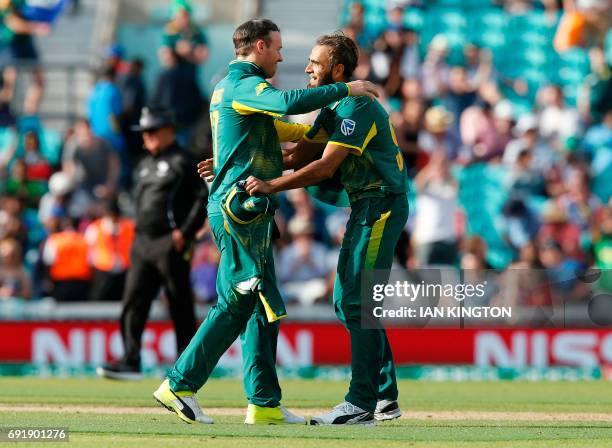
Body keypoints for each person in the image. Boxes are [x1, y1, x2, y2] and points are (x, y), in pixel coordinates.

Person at [153, 19, 379, 426]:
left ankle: (263, 403)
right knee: (240, 298)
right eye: (277, 48)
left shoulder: (240, 91)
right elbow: (289, 104)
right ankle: (179, 384)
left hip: (249, 208)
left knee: (263, 307)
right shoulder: (243, 84)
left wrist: (334, 135)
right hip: (240, 210)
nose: (281, 55)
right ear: (258, 46)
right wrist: (348, 89)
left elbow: (290, 131)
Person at [245, 32, 408, 425]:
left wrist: (269, 186)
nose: (306, 68)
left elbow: (324, 167)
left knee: (356, 302)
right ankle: (384, 397)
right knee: (347, 302)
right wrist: (237, 163)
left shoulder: (358, 105)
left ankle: (361, 403)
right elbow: (298, 156)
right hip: (365, 207)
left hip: (382, 207)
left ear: (338, 69)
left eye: (315, 63)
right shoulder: (334, 107)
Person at [97, 106, 208, 380]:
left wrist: (185, 232)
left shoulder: (184, 160)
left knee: (179, 303)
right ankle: (130, 360)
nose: (147, 136)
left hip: (170, 242)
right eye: (144, 132)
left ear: (169, 130)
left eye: (152, 131)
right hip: (143, 241)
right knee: (133, 300)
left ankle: (186, 368)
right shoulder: (144, 164)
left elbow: (201, 198)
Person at [84, 198, 135, 301]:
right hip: (103, 272)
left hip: (124, 271)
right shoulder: (95, 228)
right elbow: (88, 250)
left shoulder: (128, 227)